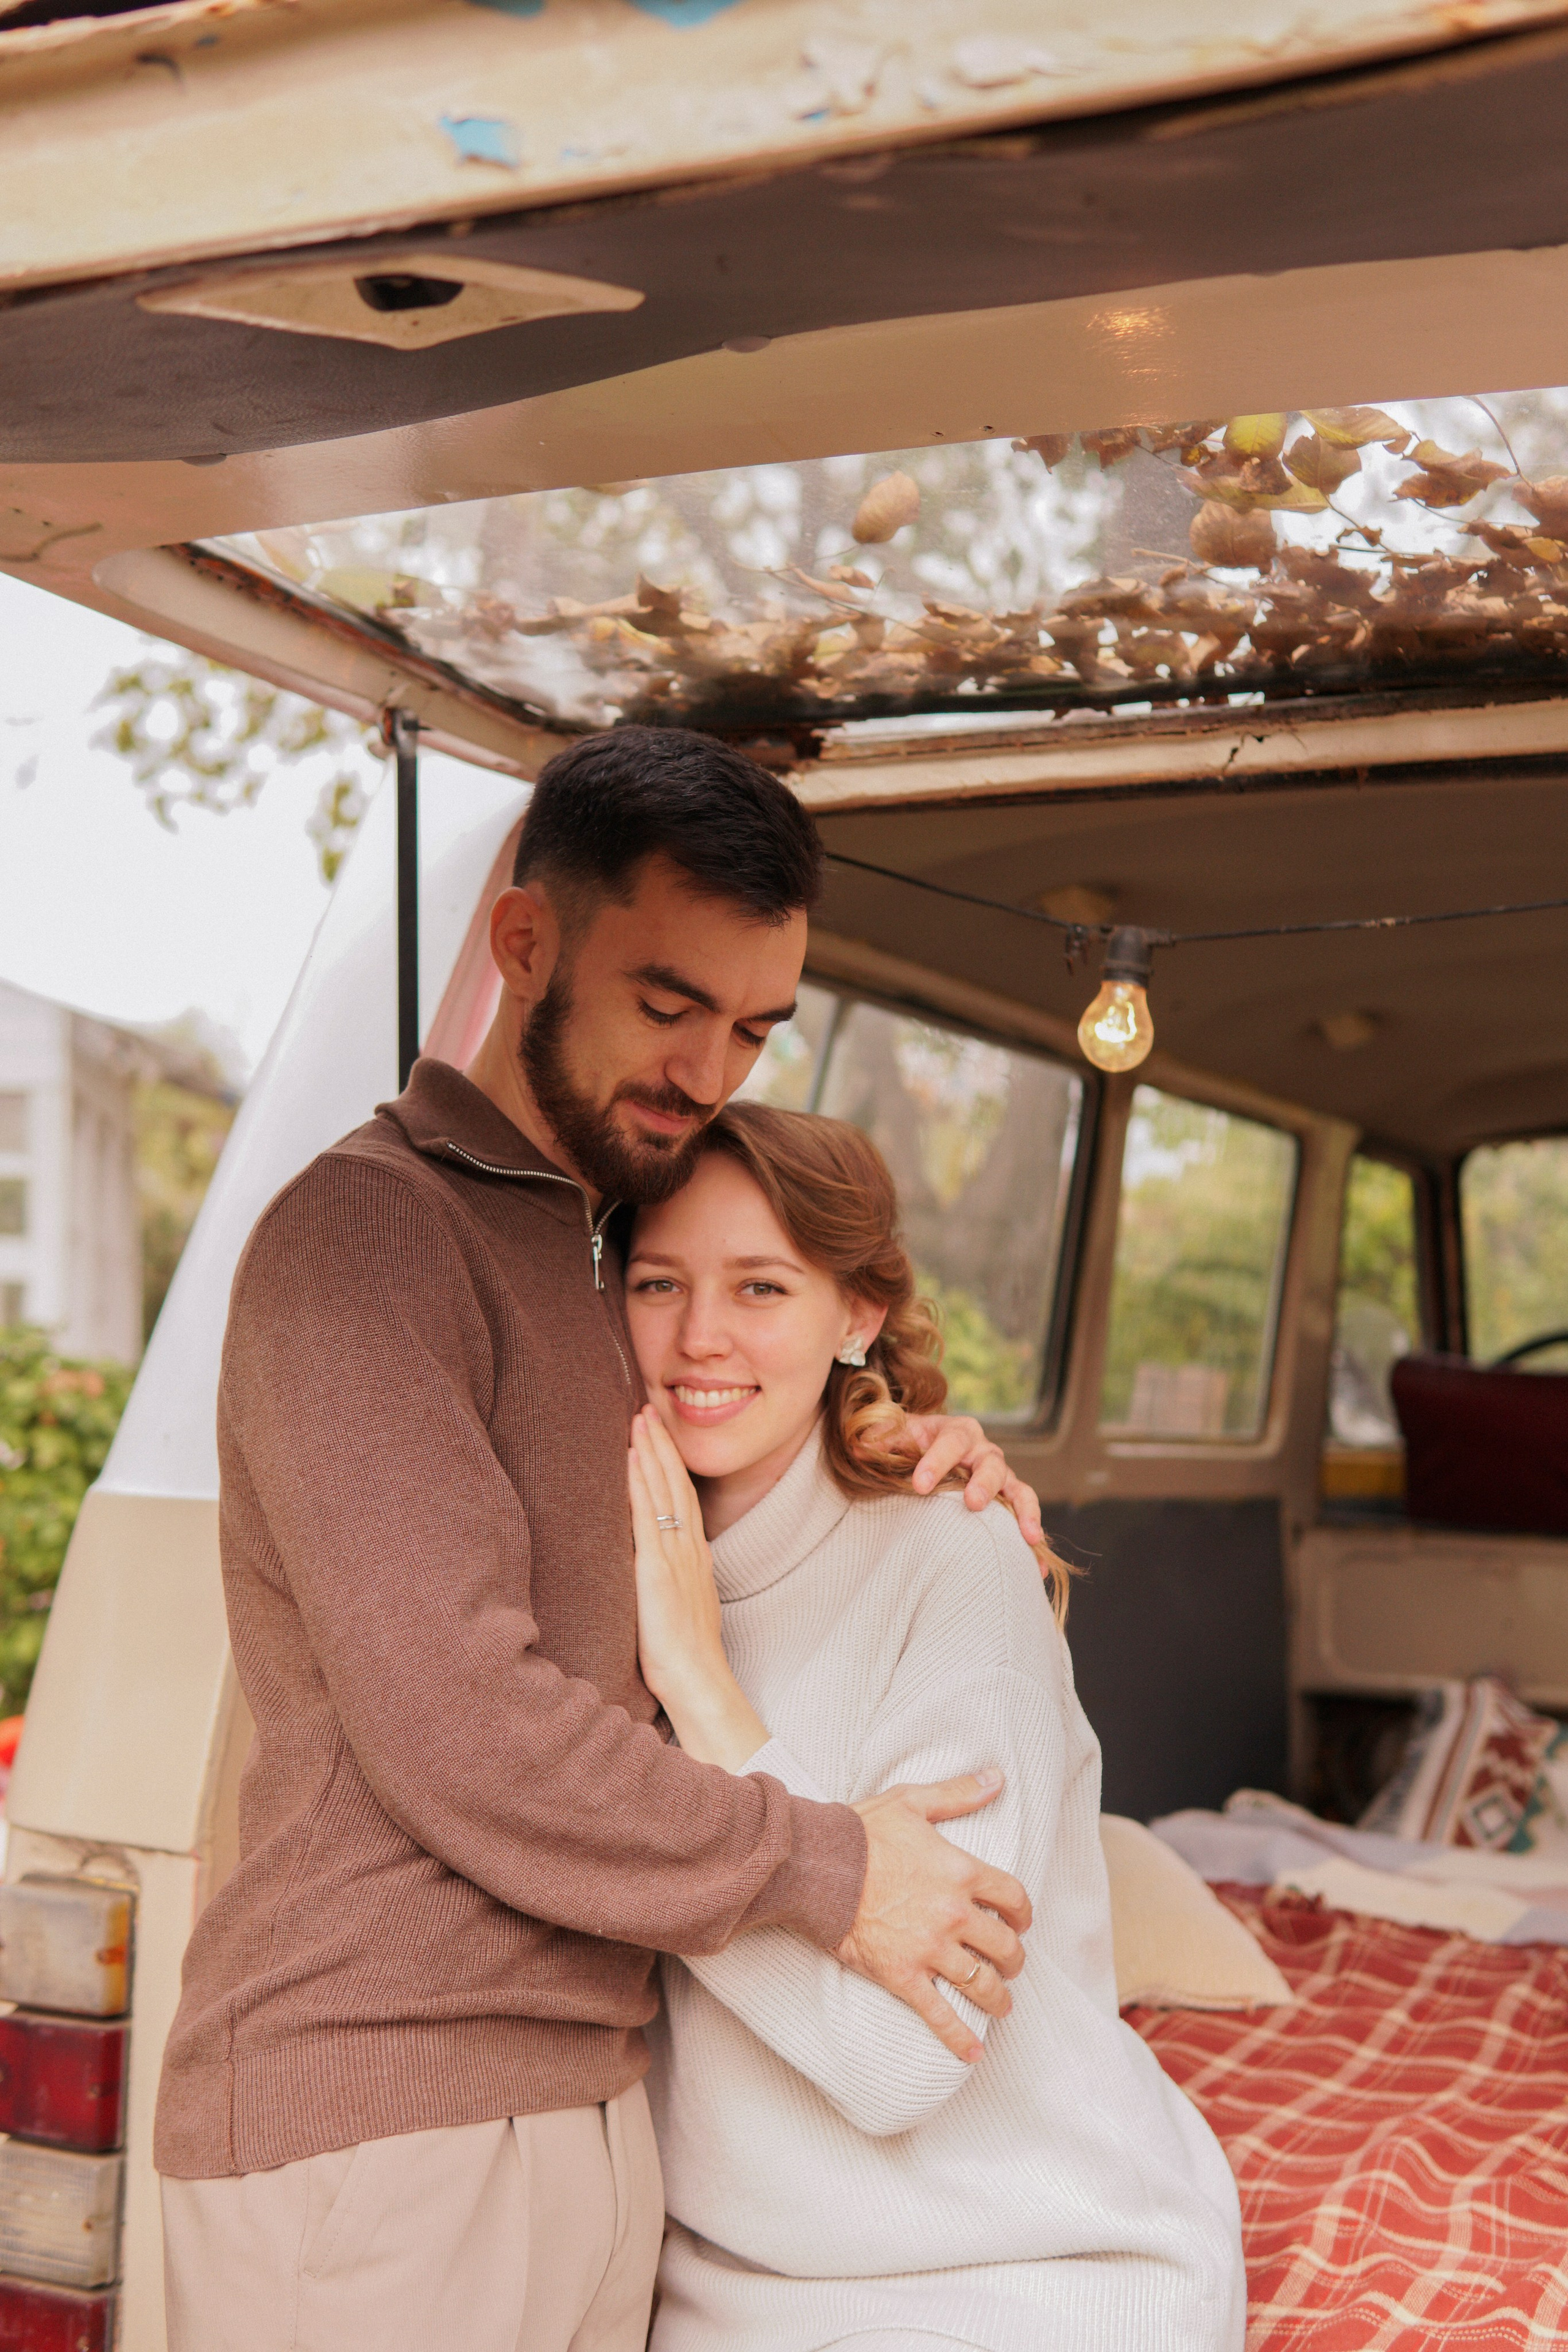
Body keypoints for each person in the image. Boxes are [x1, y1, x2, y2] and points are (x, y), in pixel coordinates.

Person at [154, 727, 1047, 2352]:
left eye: (752, 1029)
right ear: (523, 944)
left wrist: (913, 1440)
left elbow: (736, 1415)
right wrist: (828, 1868)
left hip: (595, 2105)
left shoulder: (613, 1257)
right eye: (665, 1005)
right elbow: (462, 1724)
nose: (707, 1070)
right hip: (381, 2112)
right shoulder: (367, 1238)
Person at [624, 1101, 1250, 2352]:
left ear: (854, 1315)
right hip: (724, 2285)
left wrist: (701, 1695)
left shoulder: (955, 1559)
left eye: (760, 1287)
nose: (700, 1337)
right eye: (656, 1283)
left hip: (1038, 2271)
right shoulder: (591, 1549)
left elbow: (900, 2059)